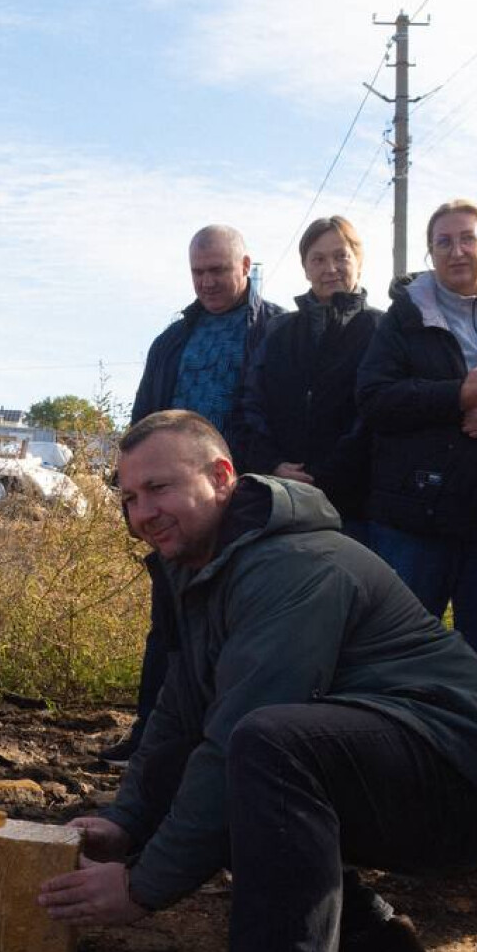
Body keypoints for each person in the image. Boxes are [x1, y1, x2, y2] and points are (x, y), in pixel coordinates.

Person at [38, 410, 477, 952]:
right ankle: (360, 943)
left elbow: (234, 736)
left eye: (159, 487)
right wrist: (127, 820)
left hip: (459, 774)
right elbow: (181, 705)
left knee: (268, 748)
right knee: (263, 754)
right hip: (394, 757)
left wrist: (144, 885)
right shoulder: (203, 561)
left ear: (223, 477)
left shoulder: (292, 565)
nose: (142, 514)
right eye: (128, 498)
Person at [112, 225, 281, 764]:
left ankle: (224, 739)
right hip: (175, 509)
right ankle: (150, 737)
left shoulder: (277, 329)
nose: (207, 282)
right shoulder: (171, 341)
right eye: (198, 272)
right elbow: (141, 421)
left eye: (217, 270)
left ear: (246, 265)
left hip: (247, 504)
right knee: (170, 625)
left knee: (239, 627)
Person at [356, 199, 477, 658]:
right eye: (443, 242)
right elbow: (374, 398)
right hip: (418, 520)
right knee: (397, 658)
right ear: (430, 253)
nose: (456, 251)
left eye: (467, 239)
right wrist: (457, 395)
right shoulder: (403, 318)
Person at [235, 215, 380, 532]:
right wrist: (272, 464)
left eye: (341, 256)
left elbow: (375, 413)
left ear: (359, 260)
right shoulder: (279, 330)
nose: (330, 268)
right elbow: (251, 404)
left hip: (357, 506)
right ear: (305, 267)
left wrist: (324, 474)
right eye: (318, 259)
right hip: (282, 499)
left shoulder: (382, 329)